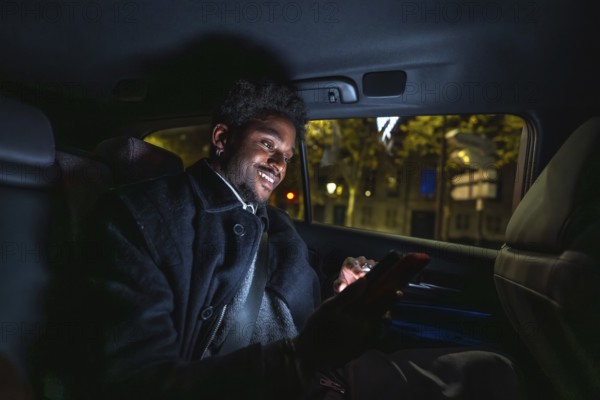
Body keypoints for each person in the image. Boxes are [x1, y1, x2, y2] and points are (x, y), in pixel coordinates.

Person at [72, 79, 392, 400]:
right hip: (268, 382)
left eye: (286, 156)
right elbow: (138, 380)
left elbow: (295, 303)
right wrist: (299, 356)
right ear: (222, 138)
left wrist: (337, 290)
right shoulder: (142, 216)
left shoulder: (276, 224)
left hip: (320, 376)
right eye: (268, 145)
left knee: (441, 369)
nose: (280, 166)